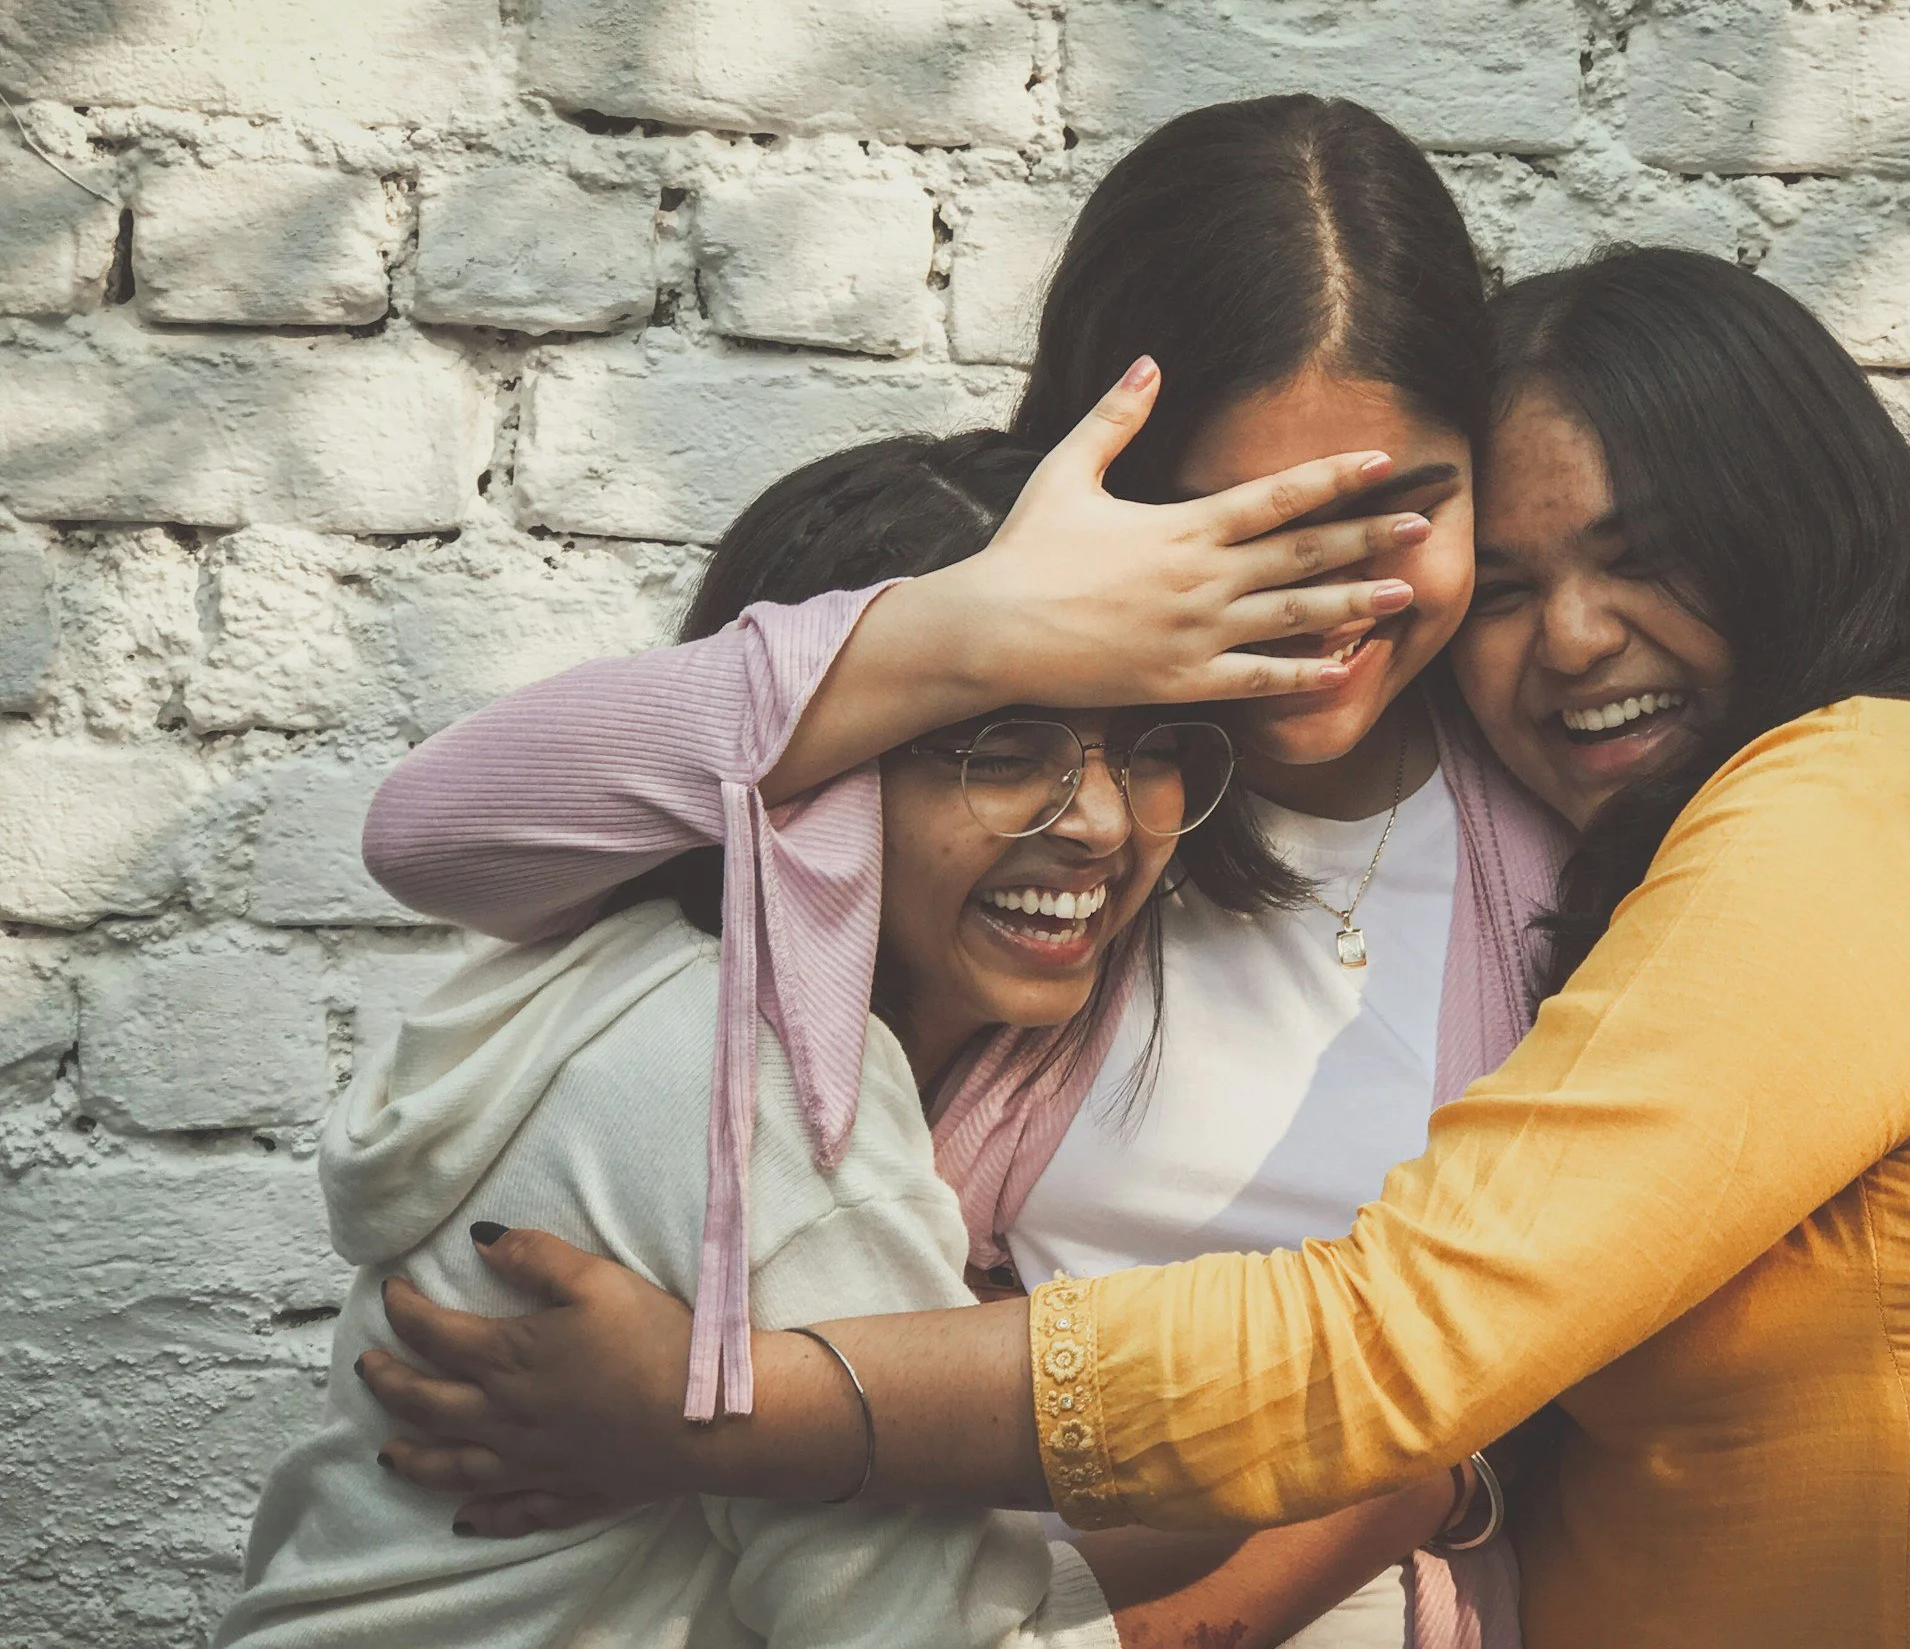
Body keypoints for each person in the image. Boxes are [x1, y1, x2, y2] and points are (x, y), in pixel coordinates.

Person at [360, 249, 1910, 1648]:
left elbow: (1401, 1344)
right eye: (1509, 585)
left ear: (1800, 534)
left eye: (1649, 558)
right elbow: (443, 828)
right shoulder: (1154, 844)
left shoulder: (1868, 808)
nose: (1572, 639)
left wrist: (752, 1408)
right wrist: (975, 633)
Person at [351, 96, 1571, 1649]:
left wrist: (1415, 1486)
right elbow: (438, 833)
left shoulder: (1551, 848)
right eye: (1247, 523)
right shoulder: (975, 825)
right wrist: (976, 626)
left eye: (1403, 507)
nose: (1335, 590)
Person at [218, 430, 1468, 1649]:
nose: (1095, 821)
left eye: (1147, 749)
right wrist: (1397, 1484)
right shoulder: (766, 1087)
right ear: (810, 771)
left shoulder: (613, 981)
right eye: (995, 746)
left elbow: (930, 1558)